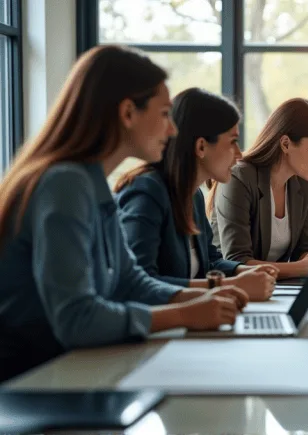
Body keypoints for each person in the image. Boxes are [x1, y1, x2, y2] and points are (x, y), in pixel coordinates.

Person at [0, 46, 248, 382]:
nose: (173, 130)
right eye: (163, 115)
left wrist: (205, 296)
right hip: (31, 385)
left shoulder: (90, 182)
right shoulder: (65, 184)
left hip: (71, 370)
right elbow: (77, 318)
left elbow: (130, 281)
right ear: (128, 112)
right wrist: (184, 314)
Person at [114, 87, 277, 301]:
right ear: (201, 146)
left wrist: (245, 272)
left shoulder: (194, 195)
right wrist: (231, 285)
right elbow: (141, 281)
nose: (239, 155)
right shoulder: (147, 192)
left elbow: (211, 262)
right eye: (233, 142)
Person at [209, 98, 308, 279]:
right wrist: (302, 268)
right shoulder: (239, 177)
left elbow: (305, 247)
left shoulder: (304, 184)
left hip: (275, 288)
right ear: (286, 144)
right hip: (233, 287)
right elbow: (237, 260)